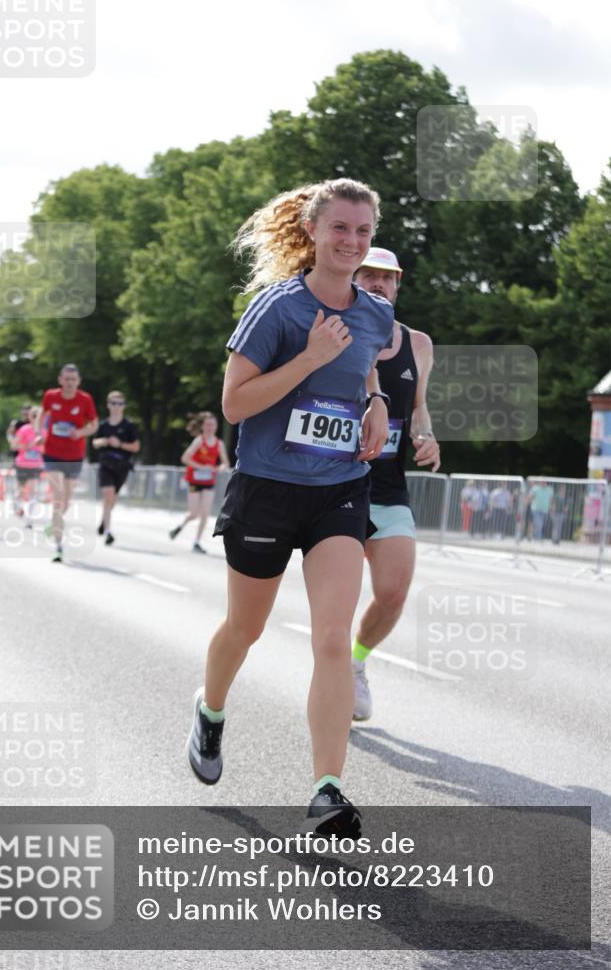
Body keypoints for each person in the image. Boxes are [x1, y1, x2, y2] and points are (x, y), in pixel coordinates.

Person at [185, 178, 394, 838]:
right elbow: (236, 406)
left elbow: (364, 368)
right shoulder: (275, 309)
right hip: (267, 489)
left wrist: (377, 404)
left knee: (332, 639)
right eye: (340, 229)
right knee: (242, 630)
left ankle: (327, 790)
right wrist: (308, 358)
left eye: (362, 232)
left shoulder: (375, 314)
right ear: (312, 230)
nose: (351, 242)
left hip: (337, 490)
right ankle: (210, 709)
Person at [349, 247, 440, 721]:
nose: (379, 284)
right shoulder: (333, 333)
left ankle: (355, 665)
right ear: (353, 276)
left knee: (393, 592)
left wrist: (426, 436)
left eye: (388, 278)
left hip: (387, 487)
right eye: (369, 275)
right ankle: (328, 680)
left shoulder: (418, 345)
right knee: (336, 601)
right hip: (334, 487)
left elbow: (418, 407)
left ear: (399, 285)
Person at [35, 364, 98, 562]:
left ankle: (54, 524)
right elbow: (41, 415)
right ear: (60, 380)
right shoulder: (51, 396)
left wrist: (80, 432)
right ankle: (58, 545)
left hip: (75, 455)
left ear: (78, 381)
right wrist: (39, 434)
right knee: (58, 495)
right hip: (52, 453)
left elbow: (94, 424)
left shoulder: (85, 399)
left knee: (67, 501)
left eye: (73, 379)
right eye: (66, 379)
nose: (70, 383)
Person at [169, 412, 230, 553]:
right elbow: (185, 458)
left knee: (205, 513)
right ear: (202, 426)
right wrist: (202, 467)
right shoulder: (198, 441)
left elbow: (225, 463)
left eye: (213, 424)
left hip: (208, 481)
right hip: (194, 480)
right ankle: (180, 526)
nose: (210, 427)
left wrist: (220, 468)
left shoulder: (218, 443)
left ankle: (196, 542)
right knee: (194, 513)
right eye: (207, 424)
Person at [92, 390, 140, 545]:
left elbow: (136, 447)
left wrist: (119, 444)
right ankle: (108, 532)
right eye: (113, 403)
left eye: (119, 403)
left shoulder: (129, 426)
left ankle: (103, 521)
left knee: (112, 499)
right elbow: (94, 443)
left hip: (122, 466)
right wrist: (106, 441)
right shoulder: (103, 425)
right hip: (105, 464)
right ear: (108, 405)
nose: (116, 407)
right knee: (108, 494)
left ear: (124, 406)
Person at [10, 406, 44, 526]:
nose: (36, 418)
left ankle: (28, 519)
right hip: (22, 464)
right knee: (20, 491)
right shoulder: (24, 429)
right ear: (29, 417)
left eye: (38, 415)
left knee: (32, 491)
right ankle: (16, 501)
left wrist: (41, 448)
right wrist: (26, 446)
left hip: (36, 465)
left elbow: (47, 449)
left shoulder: (44, 431)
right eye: (33, 415)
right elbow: (14, 445)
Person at [6, 403, 32, 515]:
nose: (26, 413)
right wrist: (13, 442)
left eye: (28, 411)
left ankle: (20, 502)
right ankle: (18, 504)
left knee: (29, 483)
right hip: (19, 456)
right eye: (24, 411)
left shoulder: (34, 424)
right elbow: (9, 434)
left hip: (33, 458)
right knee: (21, 482)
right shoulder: (16, 423)